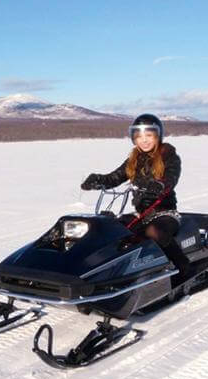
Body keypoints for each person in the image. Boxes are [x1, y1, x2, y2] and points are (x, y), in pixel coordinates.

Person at [80, 113, 191, 285]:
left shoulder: (169, 156)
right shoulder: (134, 159)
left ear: (157, 136)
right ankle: (108, 271)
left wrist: (160, 185)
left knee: (154, 233)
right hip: (140, 213)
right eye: (139, 136)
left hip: (165, 213)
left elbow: (171, 177)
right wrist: (98, 180)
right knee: (112, 230)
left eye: (149, 136)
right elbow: (114, 177)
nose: (144, 140)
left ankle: (183, 267)